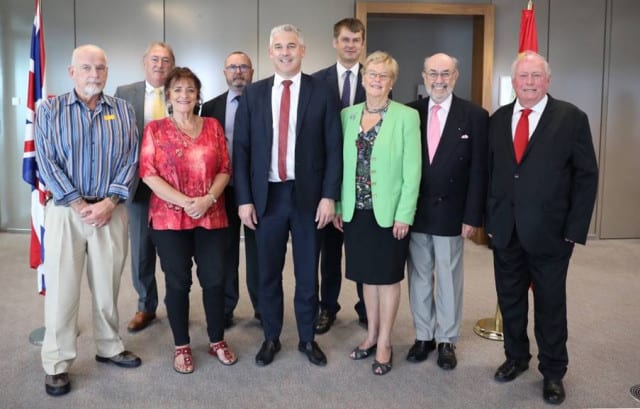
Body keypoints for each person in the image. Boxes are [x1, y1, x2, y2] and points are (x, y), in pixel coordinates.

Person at [486, 51, 598, 404]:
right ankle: (516, 357)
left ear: (547, 81)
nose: (530, 83)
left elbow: (586, 175)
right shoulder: (499, 119)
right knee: (511, 300)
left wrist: (574, 228)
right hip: (506, 229)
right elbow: (492, 173)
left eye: (536, 76)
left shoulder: (571, 118)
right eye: (524, 76)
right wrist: (490, 219)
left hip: (551, 232)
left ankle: (553, 372)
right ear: (514, 81)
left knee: (550, 304)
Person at [35, 44, 142, 397]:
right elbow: (47, 163)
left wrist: (110, 201)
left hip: (110, 212)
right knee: (63, 291)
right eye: (86, 68)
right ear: (71, 72)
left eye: (100, 68)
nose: (94, 74)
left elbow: (131, 161)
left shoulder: (124, 111)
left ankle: (109, 347)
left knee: (107, 287)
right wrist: (81, 204)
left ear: (107, 71)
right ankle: (57, 361)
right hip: (67, 212)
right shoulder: (49, 109)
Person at [233, 24, 342, 367]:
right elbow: (242, 150)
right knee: (268, 273)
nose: (285, 52)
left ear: (303, 50)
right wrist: (244, 199)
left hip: (308, 197)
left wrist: (329, 196)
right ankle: (271, 337)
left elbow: (334, 148)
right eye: (278, 46)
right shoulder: (254, 94)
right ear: (270, 53)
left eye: (291, 46)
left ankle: (307, 339)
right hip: (267, 197)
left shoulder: (323, 91)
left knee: (308, 273)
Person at [139, 67, 237, 373]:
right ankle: (181, 345)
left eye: (190, 90)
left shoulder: (212, 125)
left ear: (198, 95)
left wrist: (207, 200)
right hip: (169, 220)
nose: (184, 95)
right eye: (178, 90)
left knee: (215, 279)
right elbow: (148, 174)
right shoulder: (155, 130)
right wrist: (185, 202)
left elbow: (224, 167)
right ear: (168, 94)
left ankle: (216, 339)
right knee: (178, 282)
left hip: (211, 215)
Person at [334, 51, 421, 375]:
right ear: (363, 77)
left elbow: (412, 172)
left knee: (387, 278)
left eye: (383, 75)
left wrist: (404, 214)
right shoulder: (348, 115)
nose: (376, 80)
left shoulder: (405, 116)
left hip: (389, 214)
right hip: (356, 211)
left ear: (391, 81)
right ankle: (370, 333)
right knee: (366, 278)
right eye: (371, 73)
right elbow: (341, 166)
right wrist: (341, 206)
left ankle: (385, 341)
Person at [405, 53, 488, 370]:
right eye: (433, 74)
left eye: (445, 74)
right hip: (416, 210)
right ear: (424, 76)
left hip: (453, 211)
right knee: (420, 275)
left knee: (449, 277)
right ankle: (423, 334)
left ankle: (446, 340)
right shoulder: (410, 113)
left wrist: (472, 216)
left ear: (456, 76)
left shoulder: (475, 115)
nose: (438, 80)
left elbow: (480, 170)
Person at [311, 17, 367, 334]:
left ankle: (365, 307)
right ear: (335, 42)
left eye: (356, 40)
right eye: (345, 39)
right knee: (329, 253)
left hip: (363, 182)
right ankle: (327, 308)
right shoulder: (318, 81)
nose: (350, 45)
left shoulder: (374, 79)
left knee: (360, 250)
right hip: (328, 181)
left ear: (362, 44)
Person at [115, 41, 176, 332]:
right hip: (138, 183)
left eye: (165, 61)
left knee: (176, 248)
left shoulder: (182, 92)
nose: (159, 65)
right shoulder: (125, 93)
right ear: (144, 61)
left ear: (172, 65)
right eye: (155, 59)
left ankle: (177, 303)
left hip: (174, 184)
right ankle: (145, 306)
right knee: (141, 248)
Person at [201, 51, 260, 328]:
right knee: (225, 253)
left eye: (244, 67)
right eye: (233, 67)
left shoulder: (265, 102)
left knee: (259, 252)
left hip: (258, 191)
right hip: (221, 191)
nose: (238, 72)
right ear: (224, 72)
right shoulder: (210, 108)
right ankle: (226, 307)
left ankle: (262, 306)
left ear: (252, 71)